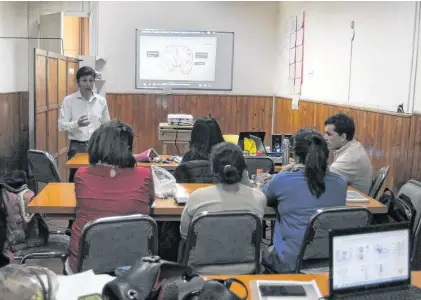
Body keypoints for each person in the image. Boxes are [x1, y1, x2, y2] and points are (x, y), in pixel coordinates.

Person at [66, 120, 155, 274]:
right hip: (133, 269)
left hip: (86, 267)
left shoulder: (81, 175)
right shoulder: (145, 175)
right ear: (127, 149)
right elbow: (150, 200)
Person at [262, 129, 347, 273]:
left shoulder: (283, 180)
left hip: (290, 262)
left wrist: (284, 171)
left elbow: (264, 197)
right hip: (331, 260)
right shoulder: (340, 182)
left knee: (258, 249)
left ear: (295, 156)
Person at [180, 142, 267, 240]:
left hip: (204, 254)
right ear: (243, 168)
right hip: (245, 255)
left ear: (213, 169)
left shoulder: (197, 197)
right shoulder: (259, 198)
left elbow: (185, 234)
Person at [58, 66, 111, 183]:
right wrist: (77, 123)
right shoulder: (69, 100)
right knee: (76, 180)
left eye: (91, 80)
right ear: (78, 83)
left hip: (97, 147)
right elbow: (61, 125)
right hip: (77, 147)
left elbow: (107, 126)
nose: (88, 84)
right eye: (84, 80)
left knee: (98, 180)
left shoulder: (101, 101)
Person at [324, 113, 373, 194]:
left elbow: (323, 179)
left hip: (353, 204)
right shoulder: (353, 146)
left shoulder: (351, 157)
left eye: (329, 134)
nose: (324, 137)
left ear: (343, 137)